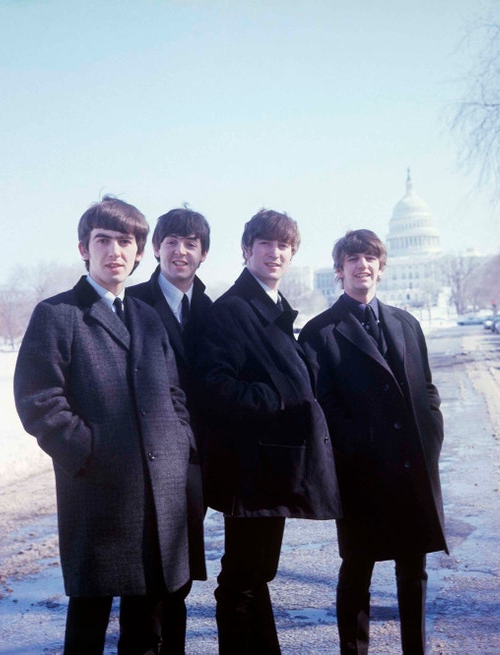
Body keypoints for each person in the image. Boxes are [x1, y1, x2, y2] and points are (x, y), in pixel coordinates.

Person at [13, 196, 204, 655]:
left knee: (145, 629)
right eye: (104, 241)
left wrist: (179, 443)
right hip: (96, 492)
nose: (115, 251)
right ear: (84, 248)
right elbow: (39, 401)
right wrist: (90, 450)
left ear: (141, 252)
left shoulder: (147, 316)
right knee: (89, 624)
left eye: (126, 241)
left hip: (160, 493)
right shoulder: (58, 314)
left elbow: (173, 393)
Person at [197, 209, 341, 654]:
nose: (275, 253)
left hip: (273, 467)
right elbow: (214, 385)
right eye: (266, 244)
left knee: (257, 575)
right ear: (247, 250)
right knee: (240, 579)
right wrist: (276, 398)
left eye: (284, 246)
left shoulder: (273, 307)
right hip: (250, 468)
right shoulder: (232, 310)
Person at [298, 229, 448, 655]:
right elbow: (320, 403)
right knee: (357, 569)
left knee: (413, 569)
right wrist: (359, 443)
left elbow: (428, 389)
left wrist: (432, 434)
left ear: (381, 267)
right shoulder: (319, 332)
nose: (362, 265)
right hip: (360, 471)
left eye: (369, 258)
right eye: (352, 259)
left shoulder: (406, 323)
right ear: (339, 271)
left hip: (412, 467)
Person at [127, 206, 212, 582]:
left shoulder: (213, 311)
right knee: (146, 576)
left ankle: (173, 645)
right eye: (171, 242)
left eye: (191, 244)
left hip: (199, 459)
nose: (181, 251)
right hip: (146, 457)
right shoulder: (131, 304)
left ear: (203, 254)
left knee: (182, 573)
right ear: (157, 249)